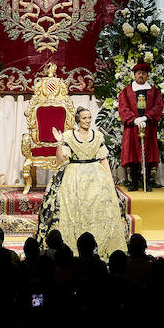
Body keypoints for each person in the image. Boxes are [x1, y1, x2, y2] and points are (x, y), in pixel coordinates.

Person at [34, 106, 130, 257]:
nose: (87, 121)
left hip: (96, 175)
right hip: (74, 175)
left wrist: (111, 182)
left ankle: (102, 245)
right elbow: (60, 159)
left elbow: (103, 159)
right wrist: (59, 142)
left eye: (89, 118)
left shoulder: (98, 136)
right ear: (78, 119)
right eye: (84, 118)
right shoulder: (68, 136)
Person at [117, 61, 164, 191]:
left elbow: (158, 106)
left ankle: (147, 183)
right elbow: (123, 107)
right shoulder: (126, 91)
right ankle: (134, 183)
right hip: (132, 128)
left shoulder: (154, 91)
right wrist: (134, 119)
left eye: (144, 73)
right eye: (138, 73)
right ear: (134, 75)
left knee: (148, 155)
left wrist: (146, 117)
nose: (141, 76)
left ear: (147, 75)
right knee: (133, 155)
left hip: (148, 127)